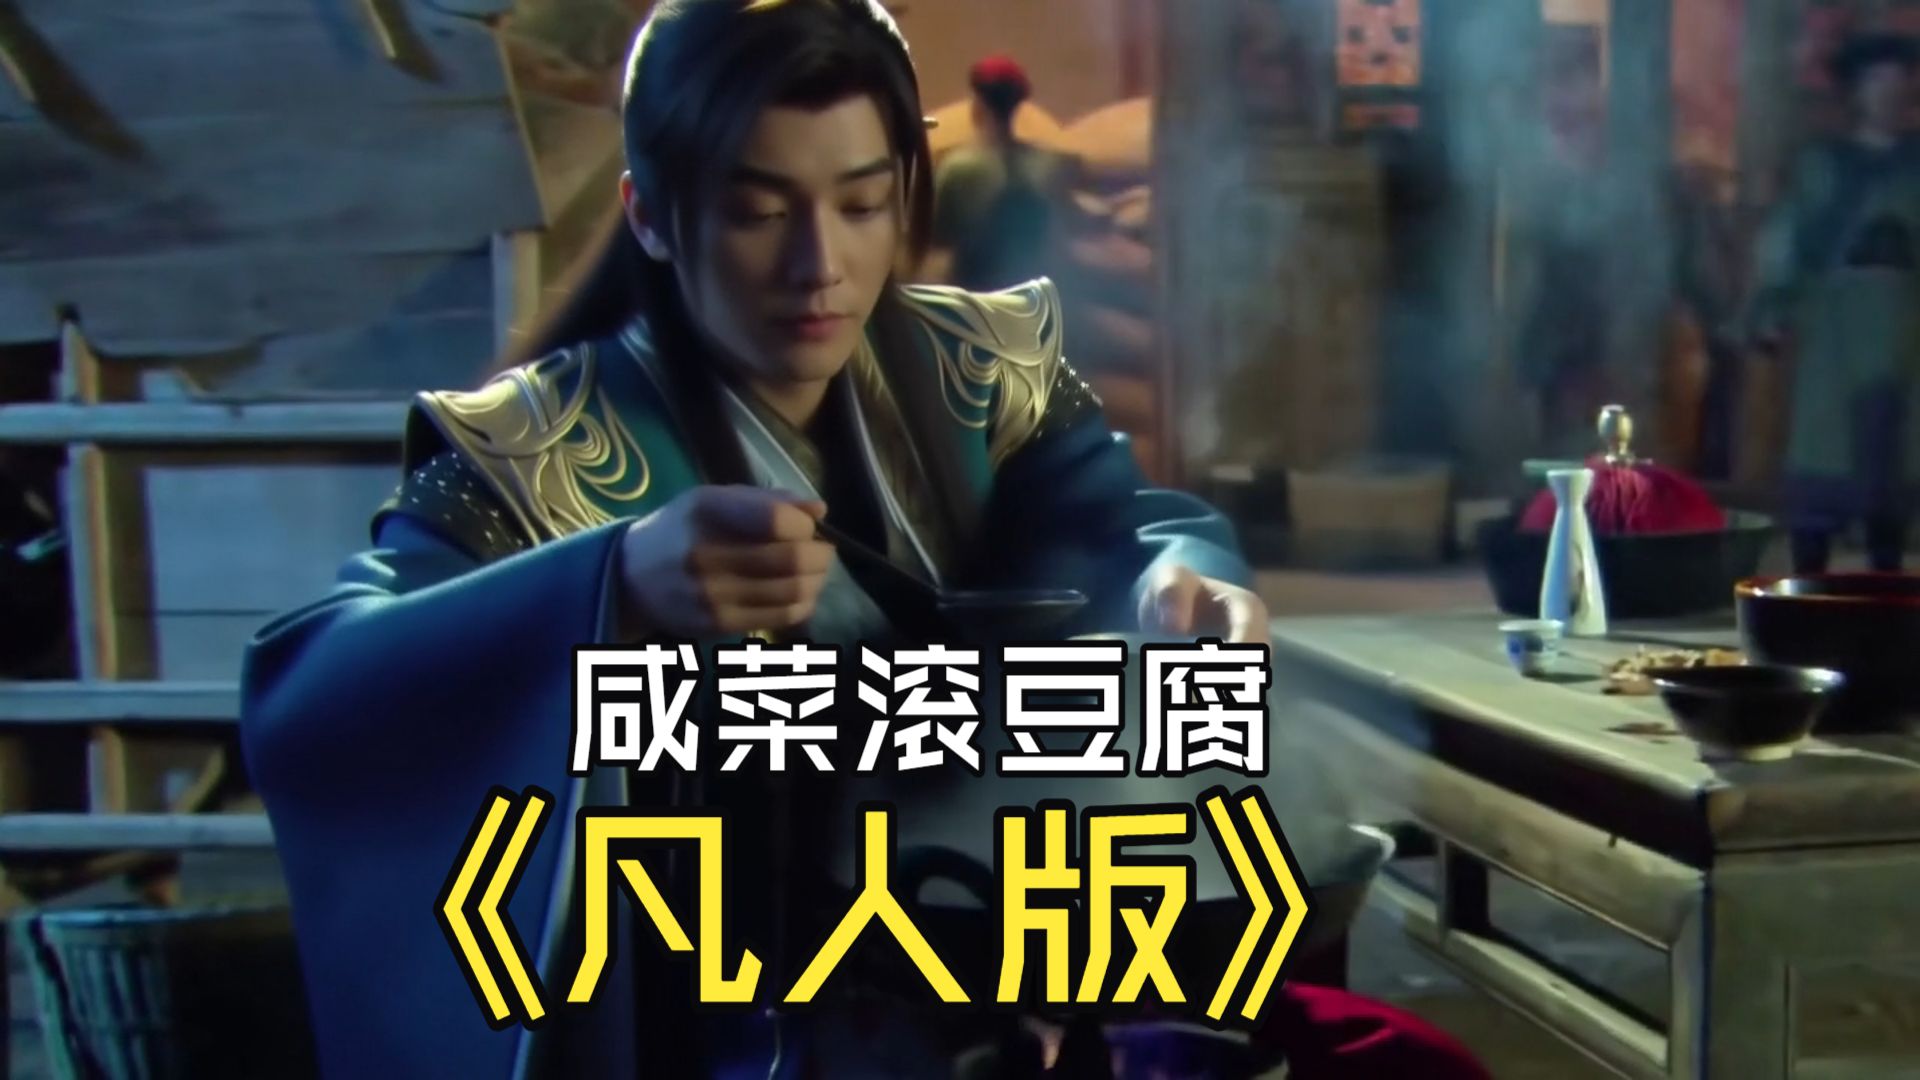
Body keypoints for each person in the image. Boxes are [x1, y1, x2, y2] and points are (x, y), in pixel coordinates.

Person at [239, 1, 1490, 1076]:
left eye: (861, 204)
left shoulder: (979, 372)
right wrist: (612, 588)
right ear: (653, 215)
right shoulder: (536, 451)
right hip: (717, 1011)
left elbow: (1122, 528)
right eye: (758, 210)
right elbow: (317, 689)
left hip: (1010, 973)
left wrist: (1189, 579)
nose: (819, 266)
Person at [1750, 33, 1920, 573]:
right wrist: (1772, 305)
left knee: (1891, 469)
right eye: (1877, 81)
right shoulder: (1824, 165)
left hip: (1905, 331)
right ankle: (1809, 589)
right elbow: (1788, 238)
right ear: (1857, 91)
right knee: (1824, 460)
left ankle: (1887, 591)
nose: (1889, 92)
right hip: (1835, 331)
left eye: (1899, 80)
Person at [927, 55, 1081, 292]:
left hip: (975, 295)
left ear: (978, 107)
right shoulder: (1049, 164)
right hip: (1032, 294)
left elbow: (936, 241)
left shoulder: (958, 168)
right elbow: (1068, 224)